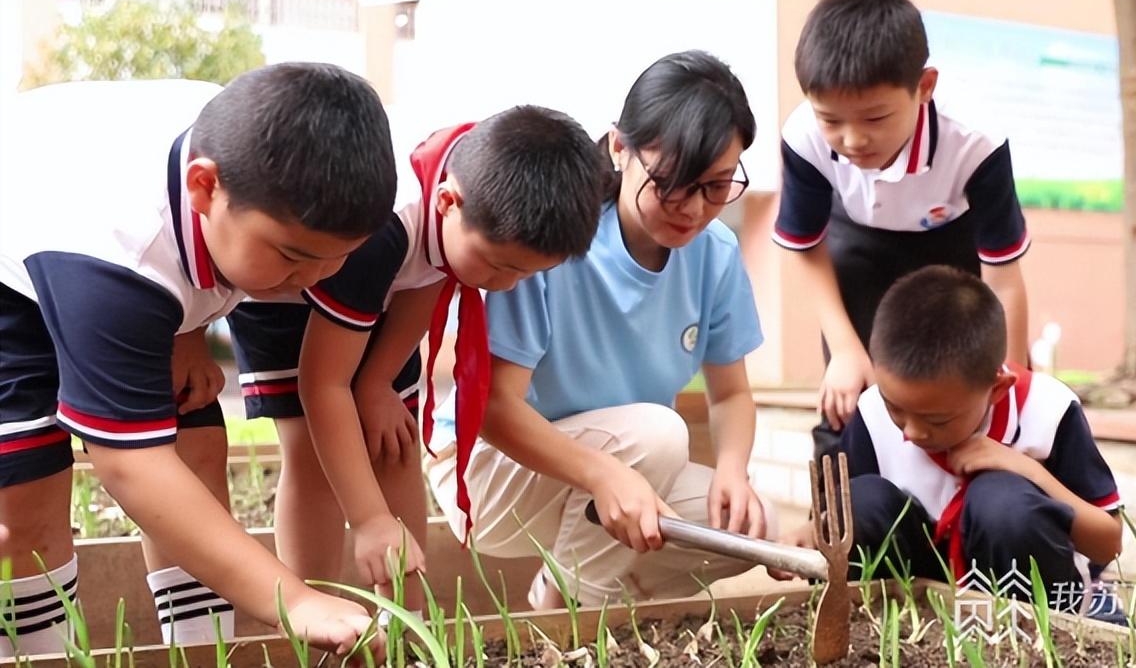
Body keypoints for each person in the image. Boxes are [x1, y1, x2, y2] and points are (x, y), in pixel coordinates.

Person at [0, 63, 395, 657]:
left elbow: (205, 257)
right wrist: (293, 598)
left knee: (198, 445)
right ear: (205, 188)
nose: (312, 280)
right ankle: (41, 654)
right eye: (293, 257)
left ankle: (200, 654)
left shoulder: (266, 165)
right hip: (18, 255)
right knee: (23, 500)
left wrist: (189, 326)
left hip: (111, 246)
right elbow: (130, 465)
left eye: (335, 259)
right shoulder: (115, 254)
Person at [428, 50, 776, 609]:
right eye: (670, 183)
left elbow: (731, 393)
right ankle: (573, 620)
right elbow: (492, 407)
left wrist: (733, 471)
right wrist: (601, 473)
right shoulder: (559, 238)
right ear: (620, 147)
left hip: (619, 461)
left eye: (715, 187)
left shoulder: (716, 254)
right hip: (488, 474)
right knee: (660, 435)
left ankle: (574, 597)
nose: (692, 208)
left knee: (755, 529)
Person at [226, 106, 605, 603]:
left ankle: (406, 623)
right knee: (312, 454)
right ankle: (310, 615)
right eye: (498, 266)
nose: (505, 285)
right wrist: (368, 519)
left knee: (394, 441)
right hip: (287, 288)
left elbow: (431, 270)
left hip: (383, 295)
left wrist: (377, 382)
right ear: (449, 201)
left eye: (524, 274)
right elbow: (323, 385)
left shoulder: (472, 196)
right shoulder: (386, 226)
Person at [774, 0, 1031, 459]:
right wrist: (846, 350)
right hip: (856, 246)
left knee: (961, 392)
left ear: (925, 86)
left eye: (875, 117)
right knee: (851, 397)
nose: (852, 139)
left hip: (953, 246)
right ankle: (842, 512)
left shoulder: (976, 139)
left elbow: (1003, 277)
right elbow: (806, 245)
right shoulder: (803, 136)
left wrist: (1012, 384)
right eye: (831, 119)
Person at [776, 266, 1122, 611]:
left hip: (1023, 600)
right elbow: (845, 526)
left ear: (997, 389)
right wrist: (808, 534)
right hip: (915, 602)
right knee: (863, 502)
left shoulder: (1048, 411)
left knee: (1003, 503)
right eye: (895, 408)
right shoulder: (871, 413)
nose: (911, 432)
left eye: (936, 419)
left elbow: (1109, 544)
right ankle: (874, 630)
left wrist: (1028, 471)